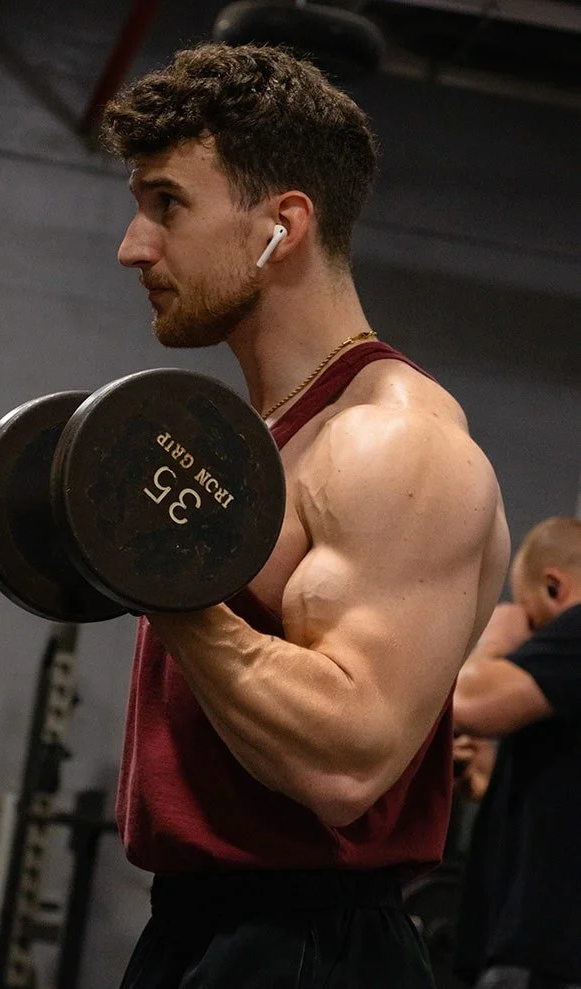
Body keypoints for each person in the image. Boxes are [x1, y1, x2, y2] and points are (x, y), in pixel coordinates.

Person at [101, 43, 509, 988]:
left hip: (310, 951)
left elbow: (345, 762)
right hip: (198, 931)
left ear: (281, 226)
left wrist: (167, 580)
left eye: (168, 204)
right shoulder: (265, 440)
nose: (133, 245)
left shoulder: (387, 445)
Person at [453, 516, 581, 989]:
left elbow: (467, 702)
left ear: (553, 587)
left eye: (530, 616)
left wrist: (496, 641)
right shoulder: (562, 678)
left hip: (544, 955)